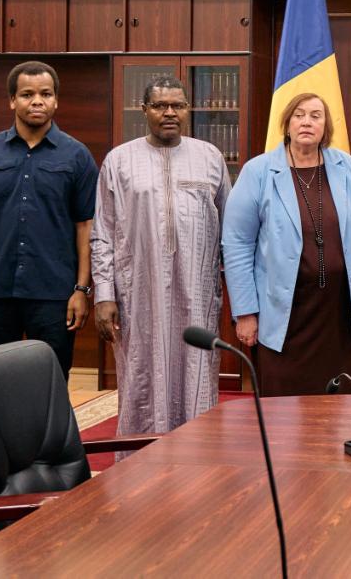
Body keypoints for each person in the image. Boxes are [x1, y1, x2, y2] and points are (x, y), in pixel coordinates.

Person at [91, 76, 231, 438]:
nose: (169, 113)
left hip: (197, 294)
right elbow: (103, 232)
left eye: (177, 105)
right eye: (160, 106)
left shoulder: (210, 157)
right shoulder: (119, 161)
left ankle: (196, 457)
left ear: (187, 109)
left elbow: (231, 232)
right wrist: (104, 295)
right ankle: (139, 460)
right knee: (141, 375)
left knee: (196, 373)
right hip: (138, 293)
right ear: (144, 110)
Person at [0, 61, 97, 379]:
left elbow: (86, 226)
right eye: (27, 94)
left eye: (46, 94)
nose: (37, 101)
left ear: (56, 100)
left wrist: (81, 290)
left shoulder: (77, 156)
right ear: (12, 101)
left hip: (54, 294)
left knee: (49, 383)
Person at [222, 93, 351, 396]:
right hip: (282, 314)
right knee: (283, 410)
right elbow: (237, 244)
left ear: (326, 126)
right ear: (287, 123)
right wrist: (245, 312)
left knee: (340, 407)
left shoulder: (347, 166)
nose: (307, 122)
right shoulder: (258, 171)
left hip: (339, 315)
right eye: (299, 114)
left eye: (316, 116)